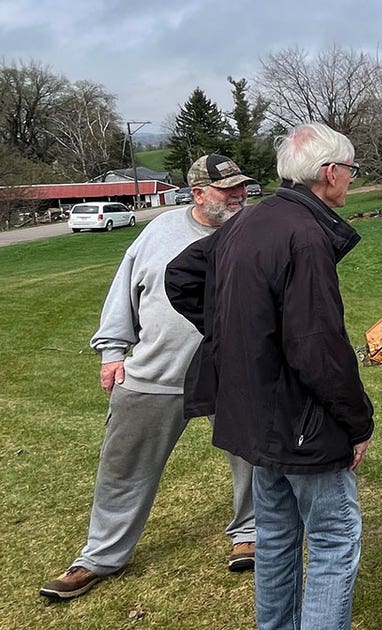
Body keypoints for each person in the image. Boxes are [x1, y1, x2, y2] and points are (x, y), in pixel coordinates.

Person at [165, 123, 374, 630]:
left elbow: (185, 277)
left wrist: (241, 338)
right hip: (300, 423)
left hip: (257, 415)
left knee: (277, 534)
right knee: (332, 538)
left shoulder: (249, 221)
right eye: (350, 170)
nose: (350, 178)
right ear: (330, 174)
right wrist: (358, 422)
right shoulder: (304, 235)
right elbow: (318, 348)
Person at [39, 154, 257, 602]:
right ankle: (100, 556)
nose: (239, 195)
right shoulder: (158, 232)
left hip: (232, 373)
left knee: (252, 458)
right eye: (228, 189)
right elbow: (124, 291)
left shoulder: (253, 232)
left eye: (242, 187)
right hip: (157, 372)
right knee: (123, 466)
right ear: (198, 194)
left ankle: (250, 533)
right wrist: (113, 352)